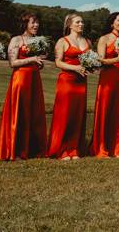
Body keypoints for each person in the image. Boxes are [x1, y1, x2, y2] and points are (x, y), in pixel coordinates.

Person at [0, 13, 47, 160]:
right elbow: (12, 62)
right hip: (21, 79)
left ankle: (33, 149)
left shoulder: (38, 41)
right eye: (33, 22)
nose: (36, 25)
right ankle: (16, 149)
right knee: (20, 111)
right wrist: (32, 59)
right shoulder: (16, 39)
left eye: (37, 22)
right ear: (25, 24)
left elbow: (36, 61)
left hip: (34, 79)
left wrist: (39, 63)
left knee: (34, 112)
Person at [90, 12, 119, 158]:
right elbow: (100, 60)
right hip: (108, 78)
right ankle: (103, 147)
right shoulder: (104, 39)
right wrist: (117, 59)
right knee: (107, 110)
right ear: (112, 23)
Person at [47, 14, 90, 159]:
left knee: (77, 115)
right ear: (70, 25)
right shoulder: (62, 41)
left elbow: (90, 60)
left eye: (82, 22)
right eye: (78, 22)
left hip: (82, 82)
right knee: (65, 114)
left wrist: (91, 66)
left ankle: (74, 149)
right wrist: (75, 68)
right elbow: (58, 62)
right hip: (67, 81)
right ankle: (62, 150)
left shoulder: (87, 41)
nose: (81, 24)